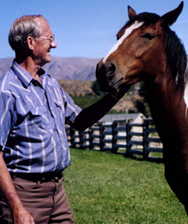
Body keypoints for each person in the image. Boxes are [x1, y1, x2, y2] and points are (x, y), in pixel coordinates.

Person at [0, 15, 127, 224]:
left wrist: (116, 95)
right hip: (25, 195)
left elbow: (80, 120)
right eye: (50, 39)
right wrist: (17, 207)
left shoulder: (50, 83)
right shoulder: (7, 91)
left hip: (58, 193)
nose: (55, 44)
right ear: (31, 43)